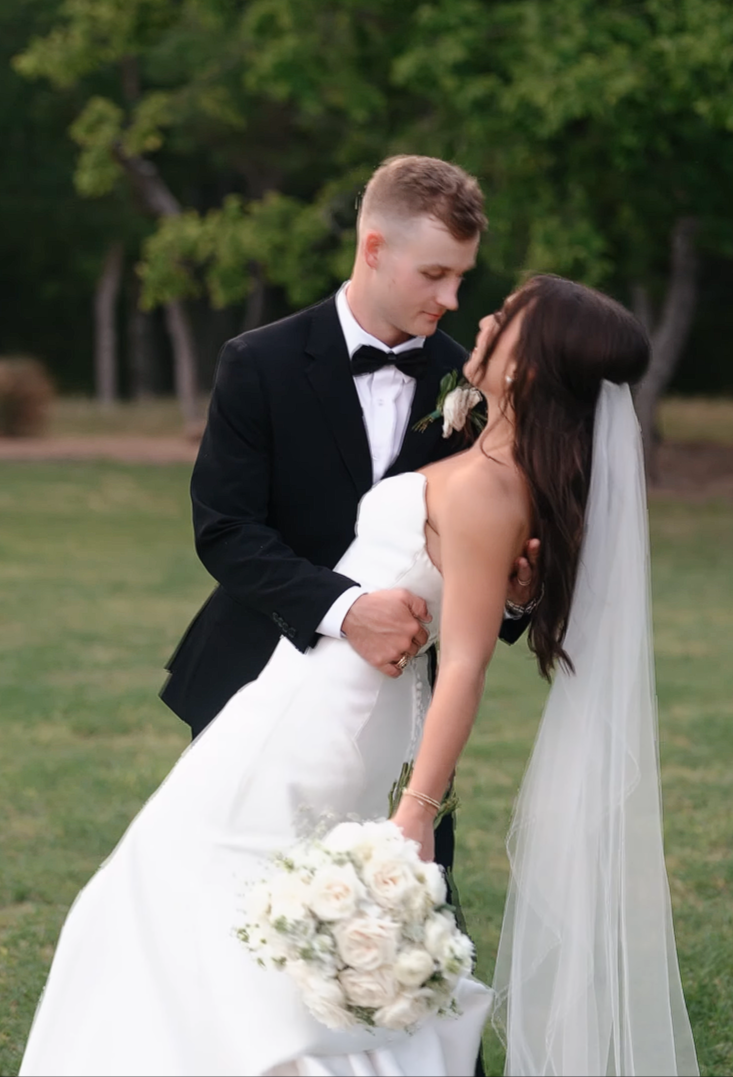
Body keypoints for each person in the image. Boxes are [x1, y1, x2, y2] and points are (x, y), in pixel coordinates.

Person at [18, 274, 699, 1076]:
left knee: (163, 898)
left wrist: (416, 811)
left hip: (322, 720)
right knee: (195, 912)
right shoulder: (482, 456)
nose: (481, 316)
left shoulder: (485, 488)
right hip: (303, 695)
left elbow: (469, 664)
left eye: (507, 316)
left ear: (528, 368)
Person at [160, 155, 537, 907]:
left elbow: (471, 551)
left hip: (402, 717)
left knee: (399, 922)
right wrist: (344, 609)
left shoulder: (473, 383)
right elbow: (226, 529)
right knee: (230, 914)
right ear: (373, 248)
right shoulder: (257, 363)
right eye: (434, 274)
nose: (452, 297)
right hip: (252, 678)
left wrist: (512, 594)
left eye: (461, 276)